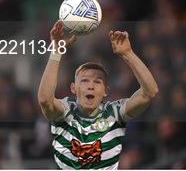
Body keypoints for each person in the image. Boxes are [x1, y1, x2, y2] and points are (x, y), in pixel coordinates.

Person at [37, 20, 159, 169]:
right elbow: (45, 100)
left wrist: (128, 54)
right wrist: (56, 51)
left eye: (97, 82)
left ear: (105, 91)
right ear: (74, 88)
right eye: (85, 81)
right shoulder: (65, 110)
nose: (90, 86)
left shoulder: (114, 113)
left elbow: (150, 92)